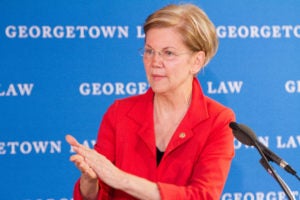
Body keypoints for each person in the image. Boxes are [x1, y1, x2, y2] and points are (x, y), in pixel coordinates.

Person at [66, 3, 235, 200]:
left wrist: (122, 179)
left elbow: (202, 196)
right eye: (149, 51)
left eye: (168, 53)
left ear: (197, 61)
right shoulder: (119, 113)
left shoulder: (218, 120)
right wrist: (90, 184)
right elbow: (101, 192)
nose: (155, 62)